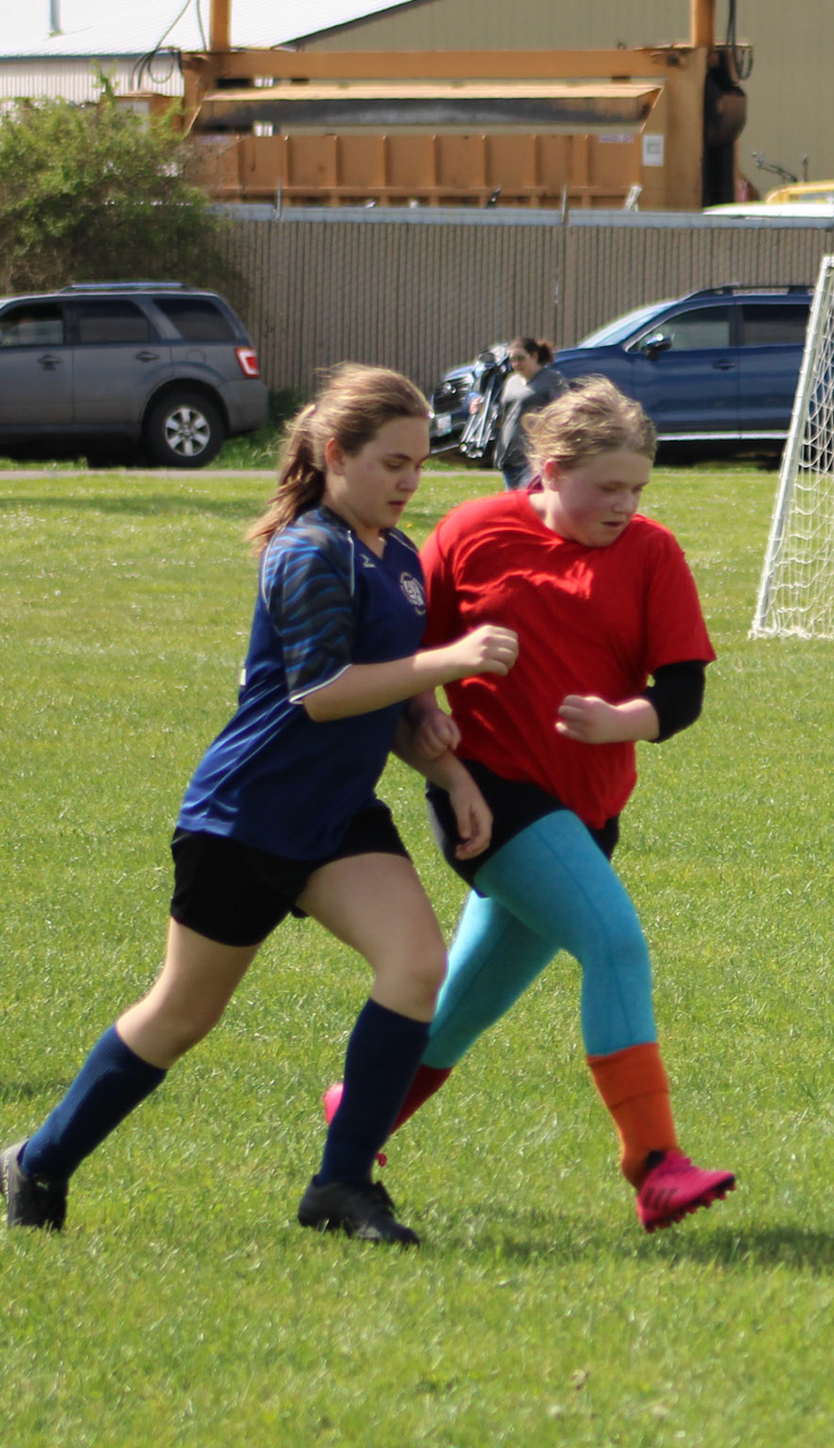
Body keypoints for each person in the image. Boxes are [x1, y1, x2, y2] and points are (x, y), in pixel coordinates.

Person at [0, 365, 517, 1246]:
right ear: (334, 454)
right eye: (392, 463)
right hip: (247, 817)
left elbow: (390, 698)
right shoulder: (307, 551)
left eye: (420, 464)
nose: (409, 482)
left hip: (338, 816)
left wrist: (449, 769)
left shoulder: (396, 558)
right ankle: (38, 1160)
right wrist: (448, 661)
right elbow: (323, 692)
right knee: (181, 1015)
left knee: (416, 964)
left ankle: (341, 1184)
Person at [322, 376, 736, 1233]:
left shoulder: (652, 553)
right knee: (614, 943)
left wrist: (625, 720)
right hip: (489, 798)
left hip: (591, 812)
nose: (625, 505)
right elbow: (403, 651)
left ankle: (360, 1112)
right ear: (549, 471)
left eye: (637, 488)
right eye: (607, 487)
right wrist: (428, 720)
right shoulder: (473, 531)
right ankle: (654, 1164)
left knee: (462, 1007)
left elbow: (684, 692)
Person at [494, 337, 567, 490]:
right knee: (513, 501)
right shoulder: (511, 381)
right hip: (510, 454)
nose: (516, 364)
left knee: (529, 496)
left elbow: (563, 412)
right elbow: (503, 414)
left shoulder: (552, 379)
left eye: (521, 358)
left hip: (534, 455)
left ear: (534, 356)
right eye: (512, 360)